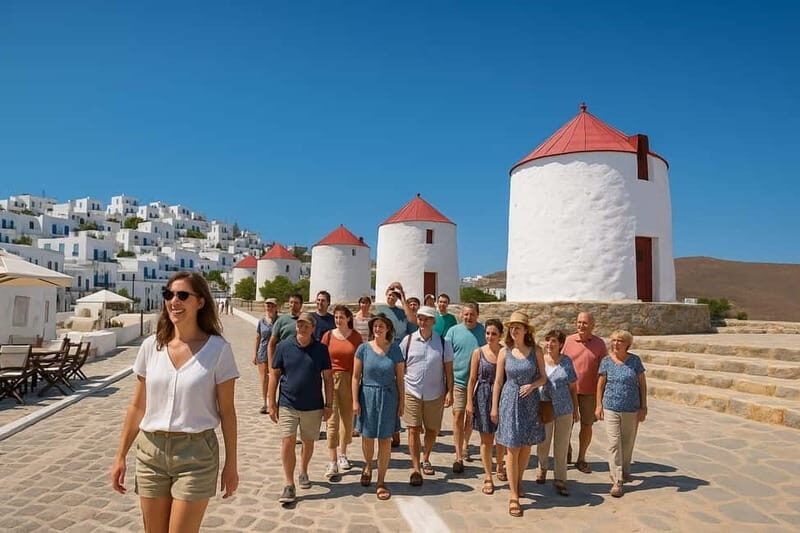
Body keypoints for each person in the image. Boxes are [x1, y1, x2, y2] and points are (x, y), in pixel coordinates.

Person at [111, 272, 239, 532]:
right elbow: (137, 406)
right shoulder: (151, 347)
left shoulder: (219, 350)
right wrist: (120, 455)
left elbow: (227, 412)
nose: (174, 301)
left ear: (200, 301)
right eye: (169, 295)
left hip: (196, 455)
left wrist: (231, 464)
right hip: (151, 452)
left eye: (182, 295)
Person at [268, 312, 333, 504]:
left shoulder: (321, 349)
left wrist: (329, 404)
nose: (301, 327)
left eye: (306, 325)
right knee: (287, 441)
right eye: (299, 324)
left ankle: (303, 470)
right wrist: (271, 402)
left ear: (313, 328)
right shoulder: (283, 347)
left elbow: (328, 378)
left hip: (313, 405)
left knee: (308, 442)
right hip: (288, 402)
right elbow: (274, 375)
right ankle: (289, 484)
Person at [491, 311, 547, 518]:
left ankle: (518, 480)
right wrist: (494, 407)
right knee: (512, 447)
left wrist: (532, 386)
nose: (513, 330)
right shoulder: (504, 352)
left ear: (526, 330)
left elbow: (543, 378)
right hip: (509, 401)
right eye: (511, 327)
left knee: (526, 446)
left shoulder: (536, 351)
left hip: (530, 402)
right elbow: (498, 381)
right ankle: (513, 495)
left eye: (518, 327)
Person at [352, 313, 405, 500]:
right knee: (367, 437)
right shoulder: (363, 349)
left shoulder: (395, 350)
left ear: (388, 329)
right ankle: (368, 465)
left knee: (385, 440)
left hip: (389, 397)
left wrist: (402, 402)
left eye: (382, 326)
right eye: (375, 326)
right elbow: (355, 377)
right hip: (367, 396)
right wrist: (355, 401)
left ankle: (381, 480)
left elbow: (400, 378)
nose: (378, 328)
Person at [399, 305, 454, 486]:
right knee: (413, 429)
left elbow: (448, 370)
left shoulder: (443, 343)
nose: (422, 321)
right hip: (412, 391)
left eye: (426, 319)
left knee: (432, 429)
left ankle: (426, 457)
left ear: (433, 322)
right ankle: (415, 468)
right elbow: (400, 368)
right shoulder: (407, 341)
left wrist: (450, 391)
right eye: (420, 318)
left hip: (435, 393)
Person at [596, 330, 647, 498]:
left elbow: (642, 383)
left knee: (627, 442)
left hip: (631, 408)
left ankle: (625, 470)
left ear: (627, 344)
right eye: (614, 340)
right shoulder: (606, 361)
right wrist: (599, 405)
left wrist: (643, 406)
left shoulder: (635, 361)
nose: (616, 343)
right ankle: (617, 480)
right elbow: (600, 385)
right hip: (611, 407)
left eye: (620, 341)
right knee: (614, 443)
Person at [321, 305, 363, 479]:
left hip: (350, 379)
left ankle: (343, 454)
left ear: (348, 318)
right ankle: (332, 460)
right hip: (331, 379)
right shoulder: (328, 336)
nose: (338, 320)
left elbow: (360, 358)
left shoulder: (356, 337)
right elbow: (321, 356)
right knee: (332, 419)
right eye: (336, 317)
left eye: (341, 317)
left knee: (347, 419)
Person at [465, 318, 506, 495]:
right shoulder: (478, 353)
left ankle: (500, 465)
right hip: (482, 395)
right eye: (488, 333)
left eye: (494, 334)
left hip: (503, 395)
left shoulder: (506, 352)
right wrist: (469, 402)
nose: (490, 337)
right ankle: (488, 475)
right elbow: (472, 379)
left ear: (500, 335)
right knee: (486, 439)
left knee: (503, 437)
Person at [563, 311, 607, 474]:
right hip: (568, 391)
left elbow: (603, 370)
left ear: (592, 325)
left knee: (587, 425)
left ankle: (581, 458)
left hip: (589, 392)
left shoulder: (599, 344)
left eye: (585, 323)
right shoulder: (568, 341)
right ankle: (565, 451)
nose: (581, 325)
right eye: (579, 322)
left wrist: (600, 398)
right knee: (566, 424)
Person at [536, 329, 579, 496]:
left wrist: (575, 408)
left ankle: (560, 478)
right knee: (543, 441)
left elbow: (573, 387)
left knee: (561, 445)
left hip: (564, 408)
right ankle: (542, 467)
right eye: (548, 340)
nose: (550, 344)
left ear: (561, 344)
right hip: (545, 406)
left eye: (554, 341)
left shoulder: (566, 362)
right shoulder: (540, 360)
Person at [445, 302, 486, 472]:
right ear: (461, 315)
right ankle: (458, 455)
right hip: (458, 382)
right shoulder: (453, 332)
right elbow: (446, 356)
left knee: (470, 417)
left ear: (477, 315)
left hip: (477, 383)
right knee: (457, 415)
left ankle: (465, 445)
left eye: (472, 314)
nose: (469, 317)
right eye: (466, 314)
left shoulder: (483, 331)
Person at [253, 298, 279, 414]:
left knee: (275, 377)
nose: (269, 308)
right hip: (263, 352)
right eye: (268, 305)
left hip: (276, 352)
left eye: (272, 306)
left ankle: (273, 401)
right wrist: (255, 354)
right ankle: (265, 403)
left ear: (276, 307)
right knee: (264, 379)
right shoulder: (261, 321)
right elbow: (258, 337)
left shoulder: (279, 321)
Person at [267, 293, 304, 368]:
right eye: (291, 302)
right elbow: (271, 343)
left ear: (301, 305)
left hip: (302, 359)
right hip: (284, 359)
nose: (293, 305)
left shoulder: (306, 319)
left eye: (296, 303)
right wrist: (271, 365)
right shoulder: (281, 320)